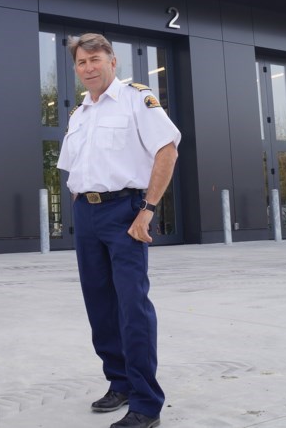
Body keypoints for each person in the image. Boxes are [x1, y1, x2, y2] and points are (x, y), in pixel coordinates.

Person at [57, 33, 180, 428]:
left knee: (132, 306)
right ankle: (120, 381)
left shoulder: (137, 100)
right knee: (100, 305)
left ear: (113, 61)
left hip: (127, 211)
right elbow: (72, 168)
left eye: (95, 59)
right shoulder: (80, 113)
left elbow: (168, 149)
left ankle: (146, 404)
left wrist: (147, 209)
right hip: (88, 215)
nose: (88, 67)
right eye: (81, 62)